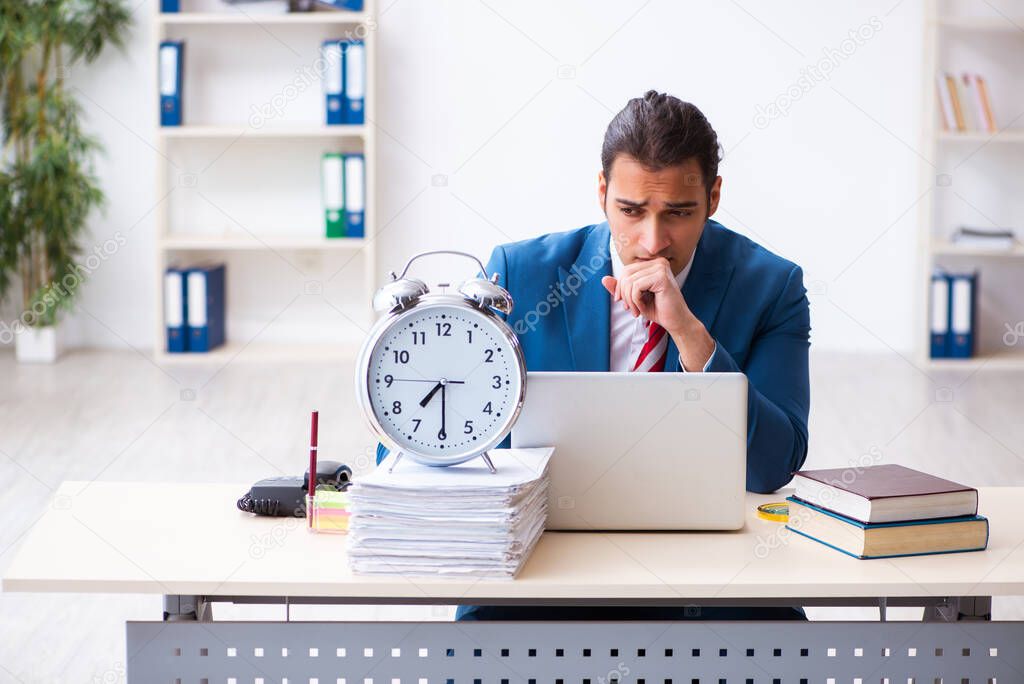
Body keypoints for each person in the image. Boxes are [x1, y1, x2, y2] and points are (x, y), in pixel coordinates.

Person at [378, 90, 811, 621]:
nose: (653, 241)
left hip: (708, 570)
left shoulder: (772, 286)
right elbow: (413, 451)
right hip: (549, 564)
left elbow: (774, 465)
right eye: (631, 211)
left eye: (678, 213)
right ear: (602, 192)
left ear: (714, 197)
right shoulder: (521, 274)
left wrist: (691, 337)